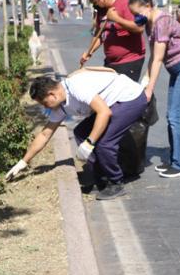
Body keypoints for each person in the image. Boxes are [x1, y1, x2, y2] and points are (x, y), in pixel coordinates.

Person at [8, 70, 148, 201]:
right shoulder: (60, 104)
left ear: (52, 94)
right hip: (111, 104)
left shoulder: (76, 87)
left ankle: (116, 182)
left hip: (130, 98)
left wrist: (89, 142)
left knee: (104, 143)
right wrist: (23, 162)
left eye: (44, 103)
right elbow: (45, 134)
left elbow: (104, 113)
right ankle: (99, 177)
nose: (45, 107)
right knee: (80, 132)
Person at [128, 0, 180, 178]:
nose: (136, 17)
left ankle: (179, 165)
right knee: (173, 115)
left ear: (148, 5)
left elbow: (158, 59)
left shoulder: (162, 22)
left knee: (175, 116)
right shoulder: (150, 25)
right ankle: (173, 159)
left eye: (137, 12)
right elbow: (152, 57)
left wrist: (149, 89)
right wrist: (144, 84)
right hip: (177, 69)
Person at [81, 0, 146, 81]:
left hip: (129, 60)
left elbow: (139, 28)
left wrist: (117, 19)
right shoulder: (102, 10)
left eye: (95, 2)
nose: (95, 6)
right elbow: (100, 34)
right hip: (111, 62)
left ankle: (148, 96)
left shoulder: (126, 3)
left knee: (125, 94)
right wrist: (89, 51)